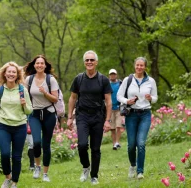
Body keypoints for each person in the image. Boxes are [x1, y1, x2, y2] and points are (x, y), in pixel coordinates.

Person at [67, 50, 112, 185]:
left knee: (96, 148)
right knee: (81, 145)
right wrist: (69, 117)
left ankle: (94, 176)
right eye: (87, 60)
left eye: (92, 60)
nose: (89, 62)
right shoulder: (79, 79)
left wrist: (108, 121)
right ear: (84, 62)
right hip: (82, 116)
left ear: (96, 62)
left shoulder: (103, 79)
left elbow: (109, 101)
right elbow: (72, 98)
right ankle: (86, 167)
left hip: (98, 116)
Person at [0, 62, 33, 188]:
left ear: (17, 75)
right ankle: (7, 177)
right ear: (4, 73)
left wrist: (24, 104)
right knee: (4, 154)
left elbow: (29, 110)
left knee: (16, 156)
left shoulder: (22, 90)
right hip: (4, 126)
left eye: (14, 72)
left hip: (20, 126)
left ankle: (14, 182)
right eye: (9, 72)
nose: (11, 74)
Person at [117, 57, 158, 180]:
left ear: (145, 67)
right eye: (137, 65)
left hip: (145, 114)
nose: (139, 67)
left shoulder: (151, 81)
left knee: (141, 143)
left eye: (142, 65)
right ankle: (133, 166)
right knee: (131, 145)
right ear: (134, 66)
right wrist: (126, 100)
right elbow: (119, 96)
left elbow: (156, 97)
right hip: (131, 114)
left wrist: (151, 98)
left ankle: (140, 171)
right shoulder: (127, 80)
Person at [23, 55, 59, 182]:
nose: (39, 65)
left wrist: (45, 92)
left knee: (46, 144)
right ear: (34, 65)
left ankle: (45, 173)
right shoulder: (29, 79)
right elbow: (24, 95)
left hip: (49, 113)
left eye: (41, 63)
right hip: (34, 114)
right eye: (37, 63)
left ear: (45, 66)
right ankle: (37, 166)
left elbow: (55, 99)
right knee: (36, 142)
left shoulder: (51, 80)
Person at [108, 69, 124, 150]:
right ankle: (114, 144)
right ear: (109, 76)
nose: (112, 76)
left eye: (114, 74)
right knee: (112, 128)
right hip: (110, 109)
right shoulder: (107, 84)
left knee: (118, 126)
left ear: (116, 75)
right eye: (111, 74)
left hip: (119, 108)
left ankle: (117, 142)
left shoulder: (120, 84)